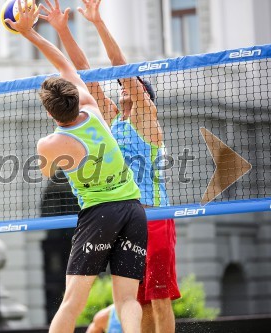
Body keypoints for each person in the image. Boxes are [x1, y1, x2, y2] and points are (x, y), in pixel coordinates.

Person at [5, 2, 147, 333]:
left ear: (52, 114)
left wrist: (23, 29)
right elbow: (65, 63)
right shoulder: (92, 107)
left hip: (99, 214)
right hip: (133, 209)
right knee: (127, 301)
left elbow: (44, 172)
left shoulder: (49, 144)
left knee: (72, 302)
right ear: (73, 98)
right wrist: (31, 33)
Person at [39, 1, 180, 332]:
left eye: (131, 86)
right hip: (124, 216)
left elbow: (119, 65)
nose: (124, 88)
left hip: (154, 215)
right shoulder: (113, 121)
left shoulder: (147, 120)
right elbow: (83, 72)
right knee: (137, 302)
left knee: (159, 300)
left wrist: (98, 23)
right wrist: (62, 30)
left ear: (143, 94)